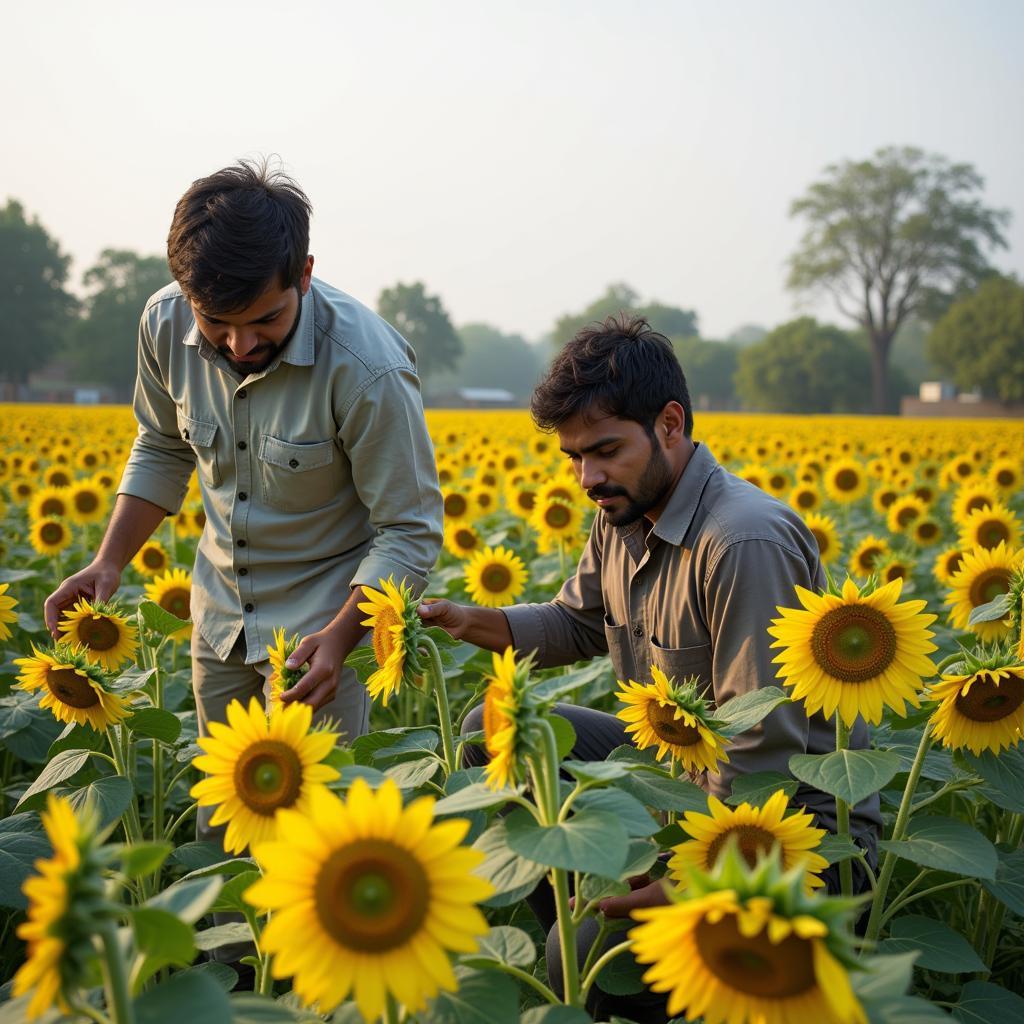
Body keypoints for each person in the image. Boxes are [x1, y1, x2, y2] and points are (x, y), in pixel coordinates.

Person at [419, 313, 881, 1022]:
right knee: (498, 732)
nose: (587, 478)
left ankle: (619, 943)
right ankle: (596, 892)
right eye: (574, 457)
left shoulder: (740, 542)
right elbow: (576, 622)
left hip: (787, 843)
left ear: (670, 424)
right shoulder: (624, 514)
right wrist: (470, 619)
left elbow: (764, 757)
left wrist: (686, 877)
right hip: (681, 790)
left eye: (604, 450)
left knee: (584, 954)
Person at [44, 157, 443, 856]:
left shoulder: (366, 367)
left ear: (305, 274)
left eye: (265, 320)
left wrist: (345, 636)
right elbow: (163, 447)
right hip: (220, 617)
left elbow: (407, 532)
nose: (240, 345)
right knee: (223, 829)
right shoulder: (163, 324)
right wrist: (109, 562)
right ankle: (229, 959)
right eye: (217, 323)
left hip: (325, 631)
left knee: (314, 846)